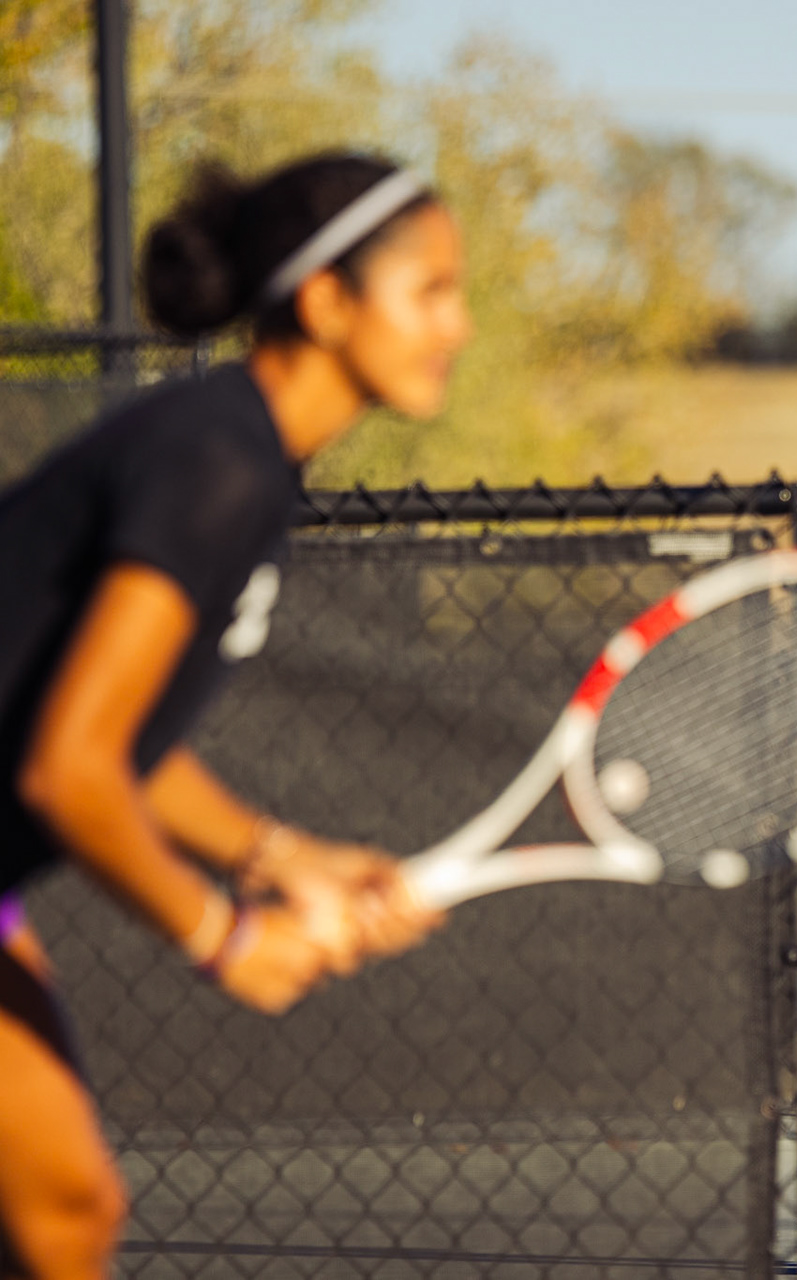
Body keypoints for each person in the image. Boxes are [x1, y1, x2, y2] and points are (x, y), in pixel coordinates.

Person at [0, 151, 465, 1279]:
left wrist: (281, 856)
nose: (456, 326)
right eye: (433, 290)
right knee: (61, 1208)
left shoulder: (240, 454)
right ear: (326, 301)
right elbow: (69, 770)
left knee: (61, 1213)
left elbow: (123, 742)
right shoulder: (217, 461)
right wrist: (226, 936)